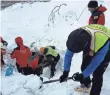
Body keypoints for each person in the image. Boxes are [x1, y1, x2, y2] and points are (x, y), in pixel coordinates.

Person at [59, 24, 110, 95]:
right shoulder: (75, 37)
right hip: (92, 39)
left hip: (106, 44)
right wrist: (65, 72)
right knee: (84, 66)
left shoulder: (101, 42)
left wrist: (83, 75)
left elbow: (96, 63)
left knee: (97, 74)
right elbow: (68, 55)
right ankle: (87, 84)